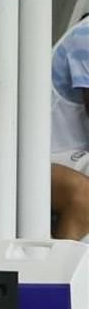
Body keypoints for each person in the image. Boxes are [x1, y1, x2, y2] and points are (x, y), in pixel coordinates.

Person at [51, 15, 89, 243]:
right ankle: (60, 276)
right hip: (42, 154)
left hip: (74, 152)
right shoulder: (86, 36)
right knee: (85, 194)